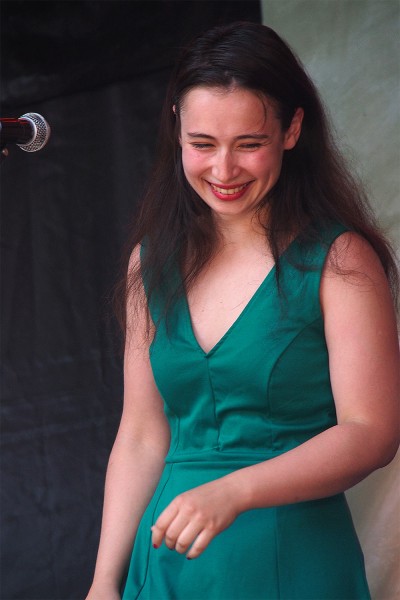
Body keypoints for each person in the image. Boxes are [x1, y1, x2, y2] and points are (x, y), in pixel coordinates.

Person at [86, 21, 399, 600]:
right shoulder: (149, 263)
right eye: (202, 144)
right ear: (176, 128)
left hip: (291, 558)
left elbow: (372, 432)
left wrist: (235, 491)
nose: (223, 171)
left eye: (248, 144)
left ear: (292, 130)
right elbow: (141, 435)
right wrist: (105, 581)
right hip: (166, 566)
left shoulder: (340, 259)